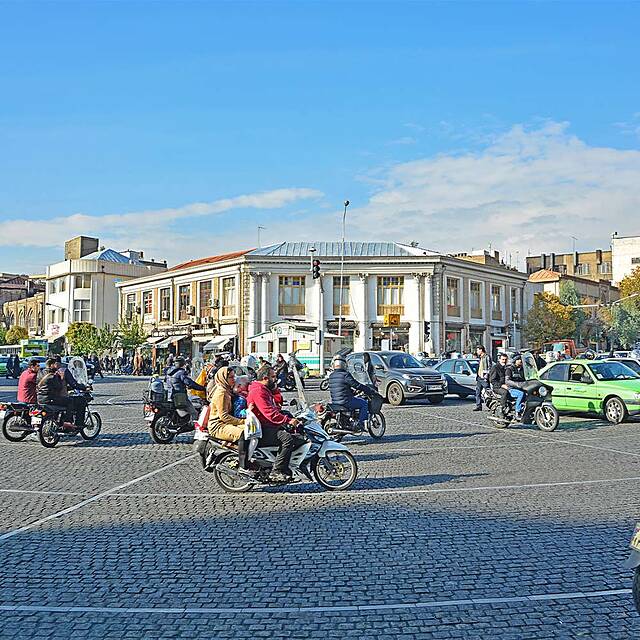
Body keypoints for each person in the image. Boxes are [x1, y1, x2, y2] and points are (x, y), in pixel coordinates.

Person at [246, 366, 303, 482]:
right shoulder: (258, 391)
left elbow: (274, 408)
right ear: (265, 378)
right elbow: (269, 413)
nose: (276, 379)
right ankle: (277, 471)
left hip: (268, 424)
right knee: (287, 439)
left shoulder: (264, 389)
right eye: (273, 377)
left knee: (295, 435)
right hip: (262, 428)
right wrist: (288, 420)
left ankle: (286, 467)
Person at [207, 367, 250, 473]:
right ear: (223, 378)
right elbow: (224, 416)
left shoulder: (227, 390)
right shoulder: (221, 393)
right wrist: (242, 422)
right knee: (243, 433)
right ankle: (243, 466)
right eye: (231, 377)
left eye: (234, 376)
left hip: (225, 423)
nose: (233, 379)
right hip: (218, 425)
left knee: (252, 430)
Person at [327, 354, 371, 429]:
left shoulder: (331, 376)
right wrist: (366, 389)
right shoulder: (345, 375)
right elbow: (356, 385)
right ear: (344, 365)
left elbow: (341, 387)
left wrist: (351, 391)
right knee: (364, 403)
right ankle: (360, 423)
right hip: (345, 401)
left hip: (335, 401)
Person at [37, 359, 83, 428]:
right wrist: (61, 379)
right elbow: (59, 387)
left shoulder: (40, 373)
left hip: (40, 398)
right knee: (70, 401)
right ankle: (67, 421)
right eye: (54, 364)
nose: (56, 366)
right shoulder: (52, 376)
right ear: (51, 365)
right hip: (50, 398)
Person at [505, 353, 527, 420]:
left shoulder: (523, 369)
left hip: (522, 387)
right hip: (511, 388)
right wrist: (516, 384)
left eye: (520, 359)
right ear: (515, 360)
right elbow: (507, 381)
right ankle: (518, 412)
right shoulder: (509, 369)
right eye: (518, 359)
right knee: (521, 394)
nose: (520, 360)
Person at [473, 346, 492, 412]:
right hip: (479, 377)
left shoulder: (487, 357)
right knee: (477, 392)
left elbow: (489, 367)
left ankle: (492, 405)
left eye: (478, 350)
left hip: (484, 378)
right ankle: (478, 406)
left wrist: (486, 376)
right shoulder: (480, 358)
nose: (477, 352)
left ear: (481, 350)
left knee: (488, 391)